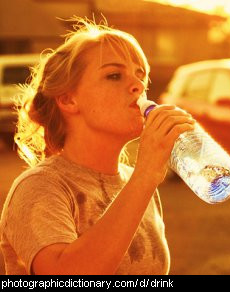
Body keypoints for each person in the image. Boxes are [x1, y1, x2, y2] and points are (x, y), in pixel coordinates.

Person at [0, 17, 195, 275]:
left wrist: (143, 178)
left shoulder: (132, 182)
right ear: (68, 99)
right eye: (114, 75)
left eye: (141, 75)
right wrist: (146, 175)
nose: (138, 86)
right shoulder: (39, 186)